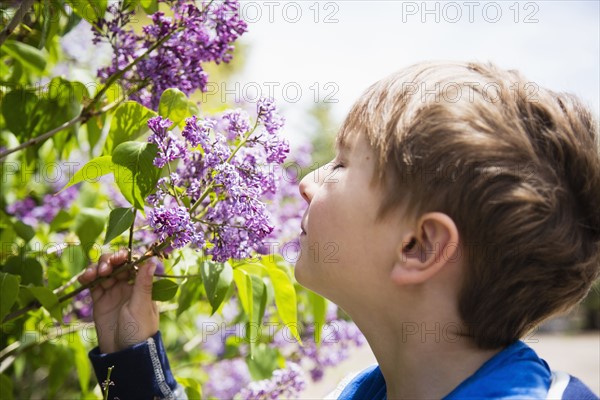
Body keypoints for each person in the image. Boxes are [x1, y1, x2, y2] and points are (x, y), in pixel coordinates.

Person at [80, 61, 600, 399]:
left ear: (417, 246)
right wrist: (132, 364)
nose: (306, 183)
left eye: (342, 165)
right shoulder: (359, 392)